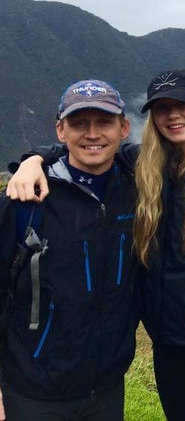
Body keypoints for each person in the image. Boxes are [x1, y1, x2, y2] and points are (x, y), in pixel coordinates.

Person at [7, 69, 185, 421]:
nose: (173, 114)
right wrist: (34, 159)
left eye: (182, 103)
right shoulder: (145, 170)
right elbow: (86, 146)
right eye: (162, 107)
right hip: (164, 343)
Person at [0, 80, 139, 421]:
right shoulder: (25, 201)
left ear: (123, 128)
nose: (92, 134)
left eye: (104, 122)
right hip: (33, 390)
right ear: (61, 130)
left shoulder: (138, 190)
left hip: (106, 388)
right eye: (79, 124)